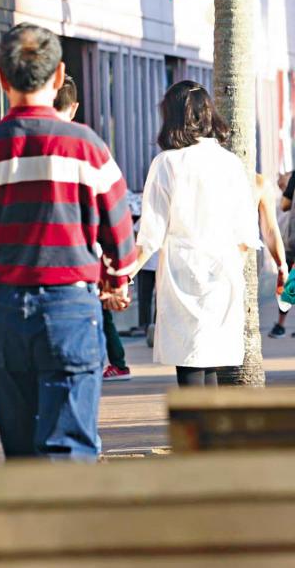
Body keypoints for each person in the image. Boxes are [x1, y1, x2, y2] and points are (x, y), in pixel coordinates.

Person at [0, 24, 137, 460]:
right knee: (69, 450)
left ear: (0, 78)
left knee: (23, 455)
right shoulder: (86, 146)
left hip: (3, 312)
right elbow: (120, 231)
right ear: (58, 74)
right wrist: (117, 278)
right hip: (71, 310)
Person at [135, 80, 261, 386]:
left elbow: (151, 233)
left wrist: (123, 277)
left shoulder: (167, 163)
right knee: (208, 366)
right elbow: (245, 234)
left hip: (182, 274)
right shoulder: (230, 163)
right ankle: (210, 433)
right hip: (223, 273)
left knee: (190, 364)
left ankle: (199, 433)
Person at [53, 76, 131, 382]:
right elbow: (116, 212)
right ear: (73, 108)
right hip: (82, 271)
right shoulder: (88, 146)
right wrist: (118, 278)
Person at [267, 171, 293, 338]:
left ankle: (281, 326)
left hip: (291, 244)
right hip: (291, 244)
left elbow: (284, 206)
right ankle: (280, 325)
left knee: (288, 283)